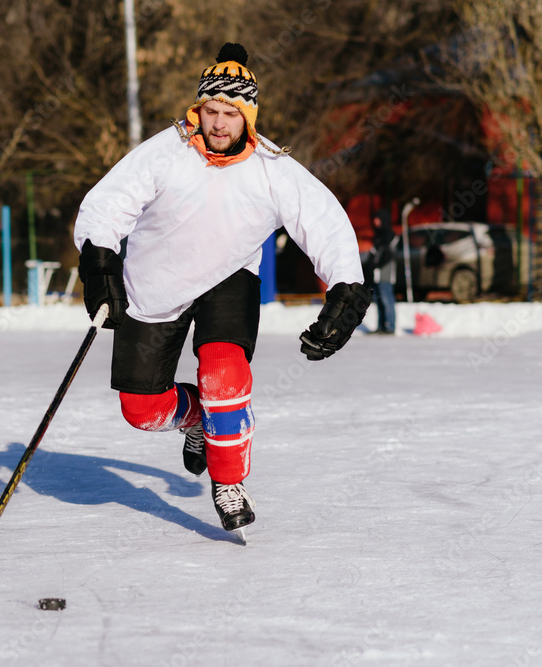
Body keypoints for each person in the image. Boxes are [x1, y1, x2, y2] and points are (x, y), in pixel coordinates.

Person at [74, 43, 370, 539]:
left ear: (247, 115)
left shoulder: (273, 167)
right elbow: (106, 205)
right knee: (141, 410)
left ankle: (228, 480)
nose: (218, 122)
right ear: (198, 109)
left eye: (230, 112)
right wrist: (99, 262)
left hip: (229, 277)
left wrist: (345, 290)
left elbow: (325, 224)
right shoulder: (166, 150)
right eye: (210, 110)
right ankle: (197, 420)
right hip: (156, 282)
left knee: (223, 366)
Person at [369, 209, 398, 334]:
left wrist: (377, 264)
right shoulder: (377, 235)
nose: (375, 221)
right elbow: (373, 254)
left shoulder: (390, 235)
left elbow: (388, 254)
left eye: (378, 219)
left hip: (386, 271)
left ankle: (390, 326)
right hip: (376, 273)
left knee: (387, 298)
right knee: (378, 299)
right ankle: (381, 326)